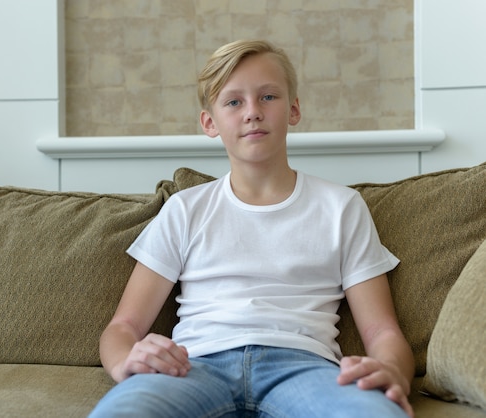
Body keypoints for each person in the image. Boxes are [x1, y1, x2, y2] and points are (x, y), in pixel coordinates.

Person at [89, 39, 414, 418]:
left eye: (268, 97)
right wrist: (126, 361)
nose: (252, 113)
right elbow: (123, 326)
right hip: (193, 366)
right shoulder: (185, 209)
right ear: (210, 122)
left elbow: (382, 332)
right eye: (233, 102)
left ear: (293, 110)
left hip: (304, 368)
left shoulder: (341, 207)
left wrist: (392, 370)